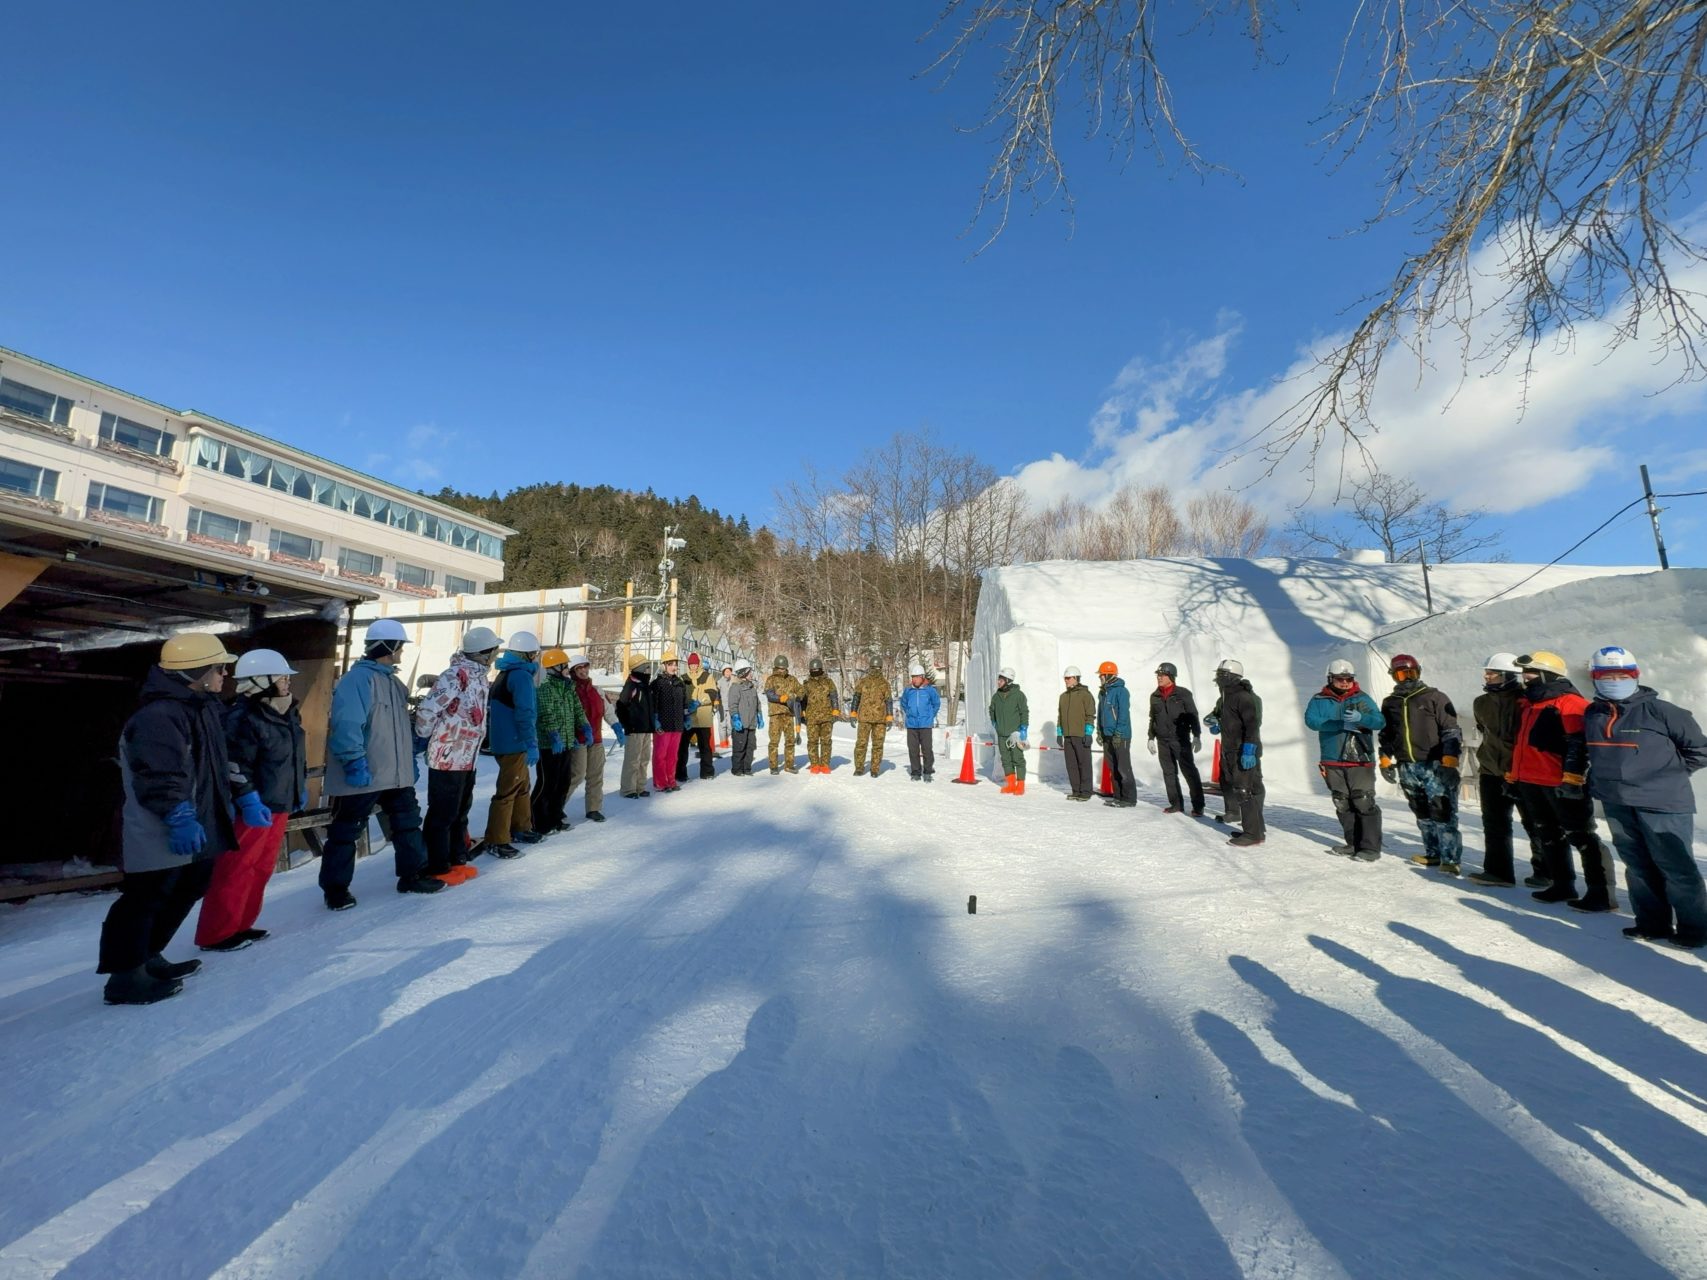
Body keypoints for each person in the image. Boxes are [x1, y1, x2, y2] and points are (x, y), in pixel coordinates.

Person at [98, 633, 258, 1004]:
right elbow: (158, 773)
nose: (225, 675)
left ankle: (148, 956)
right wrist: (178, 815)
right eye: (220, 668)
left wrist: (243, 793)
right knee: (145, 898)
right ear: (197, 671)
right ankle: (124, 977)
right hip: (162, 826)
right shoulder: (158, 716)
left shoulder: (203, 709)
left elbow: (217, 764)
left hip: (199, 824)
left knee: (187, 888)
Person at [1583, 646, 1707, 948]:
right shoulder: (1593, 712)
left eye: (1621, 674)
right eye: (1606, 675)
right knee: (1637, 865)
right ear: (1595, 678)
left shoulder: (1663, 711)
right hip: (1617, 802)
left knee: (1675, 866)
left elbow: (1700, 751)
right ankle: (1652, 923)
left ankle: (1696, 928)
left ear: (1635, 675)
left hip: (1663, 802)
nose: (1614, 679)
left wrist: (1667, 776)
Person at [322, 618, 442, 908]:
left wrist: (409, 759)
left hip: (395, 774)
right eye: (400, 647)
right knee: (346, 831)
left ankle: (412, 875)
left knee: (408, 823)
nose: (402, 653)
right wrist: (353, 761)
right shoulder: (357, 681)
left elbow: (399, 728)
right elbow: (347, 723)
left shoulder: (393, 682)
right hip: (364, 773)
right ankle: (335, 890)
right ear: (388, 647)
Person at [196, 648, 304, 951]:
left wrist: (297, 788)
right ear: (260, 680)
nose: (287, 682)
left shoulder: (287, 711)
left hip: (278, 803)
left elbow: (293, 756)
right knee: (237, 868)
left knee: (261, 868)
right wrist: (248, 798)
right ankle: (217, 933)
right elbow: (234, 764)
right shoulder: (242, 717)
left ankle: (241, 924)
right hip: (253, 807)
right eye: (282, 677)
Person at [1508, 650, 1619, 910]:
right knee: (1547, 834)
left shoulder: (1571, 703)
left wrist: (1573, 779)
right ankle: (1562, 883)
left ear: (1548, 674)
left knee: (1581, 835)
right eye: (1524, 673)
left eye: (1531, 672)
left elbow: (1581, 745)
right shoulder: (1528, 704)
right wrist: (1514, 777)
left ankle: (1601, 891)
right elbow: (1520, 745)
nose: (1525, 678)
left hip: (1562, 783)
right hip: (1531, 781)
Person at [415, 627, 497, 883]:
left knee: (460, 811)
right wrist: (429, 735)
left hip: (467, 758)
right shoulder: (454, 675)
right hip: (447, 755)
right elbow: (428, 711)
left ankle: (456, 859)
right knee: (442, 813)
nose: (496, 655)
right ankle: (437, 865)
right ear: (485, 653)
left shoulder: (480, 677)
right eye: (494, 650)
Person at [1377, 653, 1463, 874]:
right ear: (1393, 676)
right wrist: (1385, 758)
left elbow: (1451, 729)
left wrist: (1450, 759)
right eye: (1401, 674)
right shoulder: (1390, 703)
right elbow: (1386, 734)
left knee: (1442, 811)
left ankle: (1450, 859)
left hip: (1435, 765)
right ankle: (1433, 853)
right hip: (1407, 766)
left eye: (1410, 673)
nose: (1406, 678)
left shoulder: (1434, 697)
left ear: (1418, 672)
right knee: (1422, 812)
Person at [1467, 653, 1547, 888]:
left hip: (1523, 772)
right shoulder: (1480, 703)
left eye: (1492, 673)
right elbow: (1484, 730)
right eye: (1487, 673)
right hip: (1491, 770)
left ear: (1510, 676)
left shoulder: (1528, 701)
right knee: (1494, 823)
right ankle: (1498, 871)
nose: (1487, 677)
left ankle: (1545, 871)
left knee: (1534, 822)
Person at [1303, 658, 1384, 861]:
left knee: (1363, 801)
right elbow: (1311, 721)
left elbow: (1379, 721)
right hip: (1332, 758)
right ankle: (1353, 843)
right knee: (1342, 802)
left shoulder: (1362, 699)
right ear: (1330, 678)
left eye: (1348, 679)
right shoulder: (1319, 700)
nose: (1345, 683)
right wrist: (1339, 724)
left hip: (1360, 759)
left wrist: (1361, 718)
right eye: (1340, 679)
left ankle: (1370, 848)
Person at [482, 630, 543, 856]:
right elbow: (525, 713)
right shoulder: (520, 676)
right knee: (507, 791)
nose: (536, 657)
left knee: (522, 787)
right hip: (514, 743)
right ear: (527, 654)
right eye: (534, 653)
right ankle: (496, 839)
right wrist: (531, 742)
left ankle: (521, 827)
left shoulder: (505, 673)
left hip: (504, 741)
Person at [532, 648, 590, 835]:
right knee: (547, 784)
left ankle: (556, 818)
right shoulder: (545, 689)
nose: (567, 669)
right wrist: (554, 735)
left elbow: (577, 710)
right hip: (549, 745)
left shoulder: (568, 687)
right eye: (564, 666)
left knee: (563, 782)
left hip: (566, 743)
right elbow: (546, 714)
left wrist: (585, 727)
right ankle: (539, 822)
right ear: (555, 667)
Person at [1212, 659, 1265, 846]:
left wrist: (1249, 749)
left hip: (1242, 749)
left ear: (1231, 677)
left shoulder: (1243, 696)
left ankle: (1253, 835)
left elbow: (1251, 725)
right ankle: (1256, 829)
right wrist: (1217, 724)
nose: (1217, 678)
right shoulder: (1226, 696)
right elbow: (1230, 721)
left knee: (1244, 791)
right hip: (1230, 749)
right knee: (1244, 789)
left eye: (1221, 675)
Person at [567, 655, 622, 822]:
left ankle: (593, 808)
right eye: (579, 668)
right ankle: (556, 808)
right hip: (579, 740)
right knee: (576, 775)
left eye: (585, 667)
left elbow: (607, 711)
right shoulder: (570, 690)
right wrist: (571, 736)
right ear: (573, 672)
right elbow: (567, 715)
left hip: (596, 739)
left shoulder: (597, 690)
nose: (583, 670)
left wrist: (616, 726)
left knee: (596, 775)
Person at [1147, 662, 1205, 815]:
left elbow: (1193, 715)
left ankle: (1198, 806)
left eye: (1162, 675)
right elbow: (1153, 718)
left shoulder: (1183, 694)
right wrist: (1150, 737)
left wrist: (1197, 736)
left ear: (1171, 676)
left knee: (1189, 771)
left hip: (1180, 740)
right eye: (1158, 675)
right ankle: (1176, 804)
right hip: (1162, 741)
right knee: (1169, 773)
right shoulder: (1155, 696)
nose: (1159, 677)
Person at [1097, 661, 1136, 807]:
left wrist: (1118, 732)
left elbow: (1123, 714)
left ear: (1109, 675)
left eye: (1101, 674)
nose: (1099, 677)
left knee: (1123, 767)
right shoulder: (1103, 692)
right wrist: (1099, 731)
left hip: (1121, 735)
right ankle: (1118, 796)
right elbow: (1101, 713)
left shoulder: (1122, 691)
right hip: (1107, 735)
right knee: (1113, 767)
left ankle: (1129, 798)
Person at [615, 658, 655, 798]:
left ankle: (640, 786)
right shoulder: (631, 685)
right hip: (634, 729)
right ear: (638, 667)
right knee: (632, 760)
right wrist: (627, 725)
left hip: (645, 729)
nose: (647, 668)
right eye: (645, 666)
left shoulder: (645, 685)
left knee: (644, 760)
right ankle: (628, 789)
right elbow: (620, 706)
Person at [677, 653, 721, 781]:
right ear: (688, 665)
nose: (693, 666)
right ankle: (680, 773)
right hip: (688, 718)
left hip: (703, 717)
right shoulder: (683, 678)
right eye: (691, 664)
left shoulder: (707, 676)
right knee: (682, 747)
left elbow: (712, 693)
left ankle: (707, 772)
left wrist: (700, 701)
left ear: (699, 664)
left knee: (705, 747)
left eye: (695, 664)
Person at [1056, 665, 1097, 801]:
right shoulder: (1063, 697)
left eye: (1068, 678)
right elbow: (1060, 715)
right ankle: (1076, 790)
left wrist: (1088, 732)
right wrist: (1059, 732)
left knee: (1083, 763)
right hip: (1068, 735)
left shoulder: (1085, 695)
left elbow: (1090, 714)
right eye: (1065, 678)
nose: (1066, 680)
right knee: (1071, 764)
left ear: (1076, 678)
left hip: (1081, 735)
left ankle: (1086, 791)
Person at [990, 666, 1030, 795]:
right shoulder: (997, 696)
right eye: (998, 679)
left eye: (1001, 680)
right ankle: (1011, 784)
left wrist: (1023, 728)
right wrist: (994, 722)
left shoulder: (1018, 695)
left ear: (1008, 680)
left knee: (1018, 759)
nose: (998, 682)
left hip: (1015, 734)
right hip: (1001, 734)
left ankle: (1021, 785)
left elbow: (1024, 712)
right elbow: (991, 710)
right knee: (1005, 760)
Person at [651, 651, 688, 792]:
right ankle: (660, 782)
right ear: (664, 666)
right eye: (670, 664)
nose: (674, 667)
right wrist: (655, 719)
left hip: (677, 724)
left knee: (673, 755)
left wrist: (686, 717)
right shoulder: (657, 683)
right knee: (661, 755)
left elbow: (684, 703)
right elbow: (653, 704)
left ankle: (671, 781)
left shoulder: (680, 683)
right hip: (662, 724)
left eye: (675, 664)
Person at [851, 658, 893, 778]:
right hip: (864, 719)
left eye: (878, 668)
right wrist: (853, 713)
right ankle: (859, 768)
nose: (876, 670)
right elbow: (856, 697)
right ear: (870, 668)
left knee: (878, 745)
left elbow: (889, 701)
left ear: (881, 668)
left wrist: (889, 717)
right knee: (861, 744)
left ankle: (874, 769)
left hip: (880, 720)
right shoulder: (863, 682)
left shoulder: (885, 683)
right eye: (874, 668)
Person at [764, 655, 804, 775]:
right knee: (774, 741)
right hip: (776, 714)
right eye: (780, 668)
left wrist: (798, 698)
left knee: (790, 741)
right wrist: (781, 698)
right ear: (776, 667)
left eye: (784, 668)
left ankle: (789, 765)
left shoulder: (792, 679)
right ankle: (773, 766)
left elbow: (801, 690)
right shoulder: (771, 679)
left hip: (789, 714)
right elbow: (769, 695)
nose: (782, 670)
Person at [801, 657, 841, 774]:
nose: (815, 671)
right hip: (811, 717)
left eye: (816, 669)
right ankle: (814, 764)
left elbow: (834, 696)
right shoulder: (807, 684)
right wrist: (802, 712)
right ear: (810, 670)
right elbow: (803, 700)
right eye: (813, 669)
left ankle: (825, 764)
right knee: (812, 741)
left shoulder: (829, 682)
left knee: (826, 741)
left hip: (827, 717)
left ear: (821, 669)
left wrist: (836, 710)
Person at [900, 662, 940, 780]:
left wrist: (930, 715)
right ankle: (916, 772)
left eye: (917, 677)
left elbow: (936, 703)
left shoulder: (929, 690)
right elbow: (903, 703)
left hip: (925, 724)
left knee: (927, 749)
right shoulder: (908, 691)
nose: (915, 679)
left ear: (922, 677)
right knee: (913, 749)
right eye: (913, 677)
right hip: (912, 725)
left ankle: (928, 771)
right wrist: (909, 713)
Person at [725, 659, 763, 776]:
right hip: (740, 724)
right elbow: (733, 705)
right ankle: (737, 769)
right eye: (749, 672)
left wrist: (759, 714)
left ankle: (747, 768)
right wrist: (735, 717)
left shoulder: (752, 687)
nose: (751, 674)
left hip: (751, 723)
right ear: (743, 673)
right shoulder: (735, 687)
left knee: (750, 747)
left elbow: (758, 703)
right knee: (740, 747)